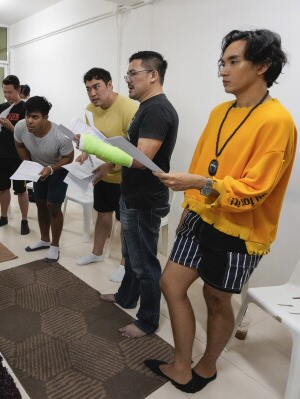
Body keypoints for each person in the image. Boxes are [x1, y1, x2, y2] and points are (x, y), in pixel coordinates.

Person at [145, 29, 296, 394]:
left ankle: (207, 366)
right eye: (221, 62)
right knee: (170, 283)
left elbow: (253, 194)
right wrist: (190, 205)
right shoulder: (219, 112)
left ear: (262, 66)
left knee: (216, 298)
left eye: (233, 62)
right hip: (202, 215)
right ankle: (182, 365)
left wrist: (199, 185)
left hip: (241, 229)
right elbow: (203, 164)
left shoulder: (277, 122)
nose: (222, 71)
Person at [77, 51, 178, 339]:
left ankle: (148, 321)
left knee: (145, 262)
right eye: (128, 75)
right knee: (131, 254)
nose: (128, 81)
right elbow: (129, 151)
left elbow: (140, 158)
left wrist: (93, 146)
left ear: (153, 75)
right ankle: (126, 298)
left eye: (132, 74)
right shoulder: (145, 107)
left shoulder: (157, 109)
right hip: (131, 191)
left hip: (146, 197)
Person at [75, 68, 138, 285]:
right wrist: (84, 154)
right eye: (88, 89)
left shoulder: (129, 109)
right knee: (102, 214)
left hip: (125, 177)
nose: (92, 93)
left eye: (97, 87)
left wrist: (108, 165)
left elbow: (132, 149)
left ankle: (124, 264)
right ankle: (96, 252)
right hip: (102, 174)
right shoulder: (90, 109)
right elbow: (91, 138)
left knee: (124, 223)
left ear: (109, 85)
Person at [15, 96, 74, 262]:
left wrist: (51, 168)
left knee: (53, 206)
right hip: (39, 168)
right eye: (28, 116)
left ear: (45, 118)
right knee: (40, 203)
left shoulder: (61, 135)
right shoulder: (20, 127)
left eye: (35, 117)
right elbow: (19, 144)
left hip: (58, 168)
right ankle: (44, 240)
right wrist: (28, 164)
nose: (29, 121)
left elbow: (69, 157)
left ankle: (54, 246)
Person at [0, 75, 30, 235]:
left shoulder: (26, 109)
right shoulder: (0, 108)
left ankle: (24, 220)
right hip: (2, 155)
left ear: (18, 90)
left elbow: (28, 136)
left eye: (10, 92)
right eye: (4, 92)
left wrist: (10, 126)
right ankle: (3, 217)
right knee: (3, 189)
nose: (7, 96)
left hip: (18, 156)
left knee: (21, 190)